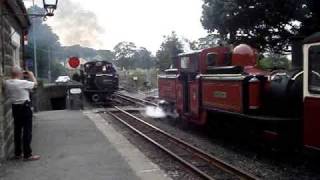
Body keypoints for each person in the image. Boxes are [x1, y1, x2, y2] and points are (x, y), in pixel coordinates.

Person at [5, 66, 40, 161]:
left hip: (15, 108)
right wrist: (32, 75)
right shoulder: (23, 83)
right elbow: (35, 85)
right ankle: (27, 154)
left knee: (17, 131)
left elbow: (7, 94)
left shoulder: (7, 83)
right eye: (21, 72)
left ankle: (18, 153)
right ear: (19, 73)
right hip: (25, 107)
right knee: (27, 131)